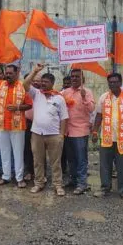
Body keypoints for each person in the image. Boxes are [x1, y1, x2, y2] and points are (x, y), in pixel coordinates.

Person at [92, 73, 123, 201]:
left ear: (120, 83)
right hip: (106, 138)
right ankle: (104, 188)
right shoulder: (103, 97)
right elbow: (98, 116)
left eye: (115, 82)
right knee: (105, 165)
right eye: (110, 82)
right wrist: (95, 132)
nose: (112, 84)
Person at [24, 64, 69, 196]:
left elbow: (64, 118)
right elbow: (25, 84)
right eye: (42, 81)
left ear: (52, 83)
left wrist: (61, 135)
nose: (43, 84)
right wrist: (35, 71)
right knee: (37, 161)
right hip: (37, 134)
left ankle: (58, 185)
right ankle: (39, 183)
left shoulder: (59, 98)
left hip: (54, 135)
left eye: (46, 82)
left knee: (55, 162)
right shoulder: (36, 94)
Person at [0, 64, 33, 188]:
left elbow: (29, 105)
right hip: (2, 124)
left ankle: (19, 178)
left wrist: (17, 107)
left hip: (17, 126)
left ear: (17, 73)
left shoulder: (22, 86)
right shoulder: (1, 84)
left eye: (11, 73)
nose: (8, 75)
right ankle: (6, 177)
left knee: (18, 153)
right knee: (4, 151)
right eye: (7, 73)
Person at [62, 69, 95, 195]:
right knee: (71, 158)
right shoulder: (65, 92)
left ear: (82, 79)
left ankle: (82, 183)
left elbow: (91, 109)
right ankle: (73, 180)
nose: (74, 79)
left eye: (77, 77)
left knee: (81, 159)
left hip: (80, 131)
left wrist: (84, 97)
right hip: (67, 131)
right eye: (73, 77)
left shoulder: (87, 92)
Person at [23, 72, 41, 181]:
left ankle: (39, 174)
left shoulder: (44, 93)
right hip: (27, 123)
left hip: (39, 125)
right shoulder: (28, 91)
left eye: (38, 80)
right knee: (27, 149)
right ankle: (28, 171)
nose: (36, 82)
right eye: (34, 80)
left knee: (39, 151)